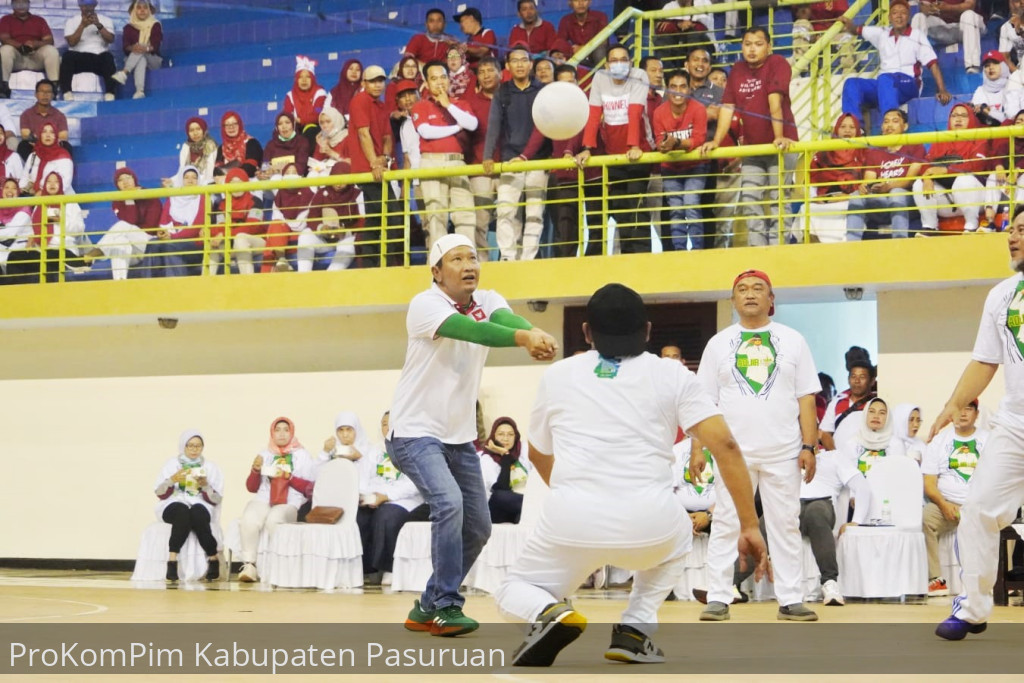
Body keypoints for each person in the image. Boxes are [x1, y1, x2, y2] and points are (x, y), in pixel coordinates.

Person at [496, 283, 768, 666]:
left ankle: (548, 613)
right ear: (648, 331)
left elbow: (538, 451)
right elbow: (725, 446)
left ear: (587, 333)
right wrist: (749, 525)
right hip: (650, 526)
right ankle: (634, 630)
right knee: (679, 538)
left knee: (513, 588)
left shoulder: (558, 375)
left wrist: (573, 496)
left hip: (570, 522)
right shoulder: (673, 374)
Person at [386, 233, 558, 637]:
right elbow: (475, 332)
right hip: (413, 433)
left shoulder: (488, 298)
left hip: (459, 438)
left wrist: (532, 331)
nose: (469, 266)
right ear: (436, 271)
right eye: (458, 259)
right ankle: (447, 605)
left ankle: (427, 605)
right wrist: (525, 339)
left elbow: (506, 321)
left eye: (473, 258)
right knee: (448, 503)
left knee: (479, 526)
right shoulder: (425, 305)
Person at [692, 269, 820, 622]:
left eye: (758, 288)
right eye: (742, 289)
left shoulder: (793, 340)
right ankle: (719, 597)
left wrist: (809, 446)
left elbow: (806, 397)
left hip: (784, 451)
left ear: (771, 299)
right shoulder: (718, 343)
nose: (750, 294)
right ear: (733, 300)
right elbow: (703, 401)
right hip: (732, 453)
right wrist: (697, 448)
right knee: (725, 522)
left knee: (786, 524)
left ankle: (791, 599)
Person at [931, 209, 1024, 639]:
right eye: (1011, 229)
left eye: (1022, 230)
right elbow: (985, 360)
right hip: (1014, 424)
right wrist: (952, 404)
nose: (1012, 237)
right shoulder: (1001, 295)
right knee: (979, 509)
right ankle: (973, 608)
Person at [699, 27, 798, 247]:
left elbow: (775, 101)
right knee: (750, 199)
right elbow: (727, 108)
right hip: (752, 149)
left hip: (781, 144)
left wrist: (779, 137)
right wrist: (716, 141)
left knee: (778, 199)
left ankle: (779, 248)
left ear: (768, 47)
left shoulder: (778, 63)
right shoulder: (737, 69)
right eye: (747, 44)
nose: (752, 49)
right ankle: (757, 248)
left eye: (758, 44)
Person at [575, 44, 654, 254]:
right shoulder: (600, 78)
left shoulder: (639, 75)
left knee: (636, 204)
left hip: (639, 152)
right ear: (607, 64)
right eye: (614, 60)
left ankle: (642, 254)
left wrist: (634, 146)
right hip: (613, 154)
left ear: (630, 62)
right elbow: (594, 114)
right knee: (619, 207)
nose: (619, 64)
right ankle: (626, 254)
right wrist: (587, 148)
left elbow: (635, 112)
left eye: (623, 59)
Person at [839, 0, 951, 133]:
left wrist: (942, 89)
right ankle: (855, 127)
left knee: (885, 79)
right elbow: (857, 30)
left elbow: (932, 63)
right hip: (885, 85)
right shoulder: (882, 33)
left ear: (908, 16)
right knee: (852, 83)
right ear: (889, 17)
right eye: (895, 13)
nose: (899, 16)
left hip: (909, 84)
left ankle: (891, 126)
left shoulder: (917, 35)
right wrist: (847, 23)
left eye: (903, 13)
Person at [482, 45, 551, 261]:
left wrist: (527, 156)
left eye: (524, 60)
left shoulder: (543, 91)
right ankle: (508, 257)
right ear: (508, 66)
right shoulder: (502, 92)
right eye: (515, 60)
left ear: (531, 64)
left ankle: (528, 259)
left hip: (538, 161)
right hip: (509, 160)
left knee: (535, 214)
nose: (520, 65)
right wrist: (487, 156)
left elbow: (544, 127)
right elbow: (494, 126)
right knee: (505, 211)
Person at [238, 417, 316, 583]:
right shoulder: (265, 454)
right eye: (277, 430)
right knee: (249, 518)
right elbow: (251, 488)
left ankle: (279, 567)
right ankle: (249, 565)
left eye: (286, 430)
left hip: (290, 501)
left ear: (292, 433)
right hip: (264, 498)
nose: (281, 434)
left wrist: (289, 477)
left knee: (274, 519)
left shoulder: (302, 456)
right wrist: (255, 470)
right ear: (272, 433)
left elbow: (310, 489)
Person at [923, 399, 987, 597]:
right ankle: (935, 580)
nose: (963, 413)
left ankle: (987, 583)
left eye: (969, 408)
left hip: (979, 505)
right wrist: (944, 505)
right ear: (951, 414)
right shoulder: (938, 441)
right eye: (959, 409)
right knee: (925, 519)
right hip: (946, 504)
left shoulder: (989, 440)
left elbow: (997, 479)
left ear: (977, 414)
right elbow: (929, 484)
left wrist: (974, 505)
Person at [355, 411, 428, 586]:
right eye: (384, 424)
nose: (388, 428)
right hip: (374, 497)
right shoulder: (375, 451)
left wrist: (386, 496)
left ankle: (389, 567)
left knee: (386, 516)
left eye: (392, 423)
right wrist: (366, 495)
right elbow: (362, 478)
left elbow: (414, 483)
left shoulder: (413, 450)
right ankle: (367, 569)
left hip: (404, 500)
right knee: (359, 516)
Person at [412, 60, 478, 251]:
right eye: (434, 78)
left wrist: (448, 105)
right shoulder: (421, 106)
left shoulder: (460, 104)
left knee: (465, 214)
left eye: (443, 77)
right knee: (436, 216)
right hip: (431, 163)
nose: (440, 82)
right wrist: (457, 128)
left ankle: (467, 257)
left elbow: (472, 124)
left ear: (449, 79)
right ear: (426, 82)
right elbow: (426, 132)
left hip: (457, 162)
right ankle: (438, 262)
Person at [798, 447, 872, 607]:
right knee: (764, 523)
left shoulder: (834, 457)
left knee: (815, 514)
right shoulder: (786, 456)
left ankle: (829, 582)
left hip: (821, 502)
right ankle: (739, 581)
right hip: (790, 504)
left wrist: (856, 520)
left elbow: (862, 486)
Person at [152, 429, 223, 582]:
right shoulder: (172, 464)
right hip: (173, 502)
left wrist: (205, 485)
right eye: (190, 445)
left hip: (200, 502)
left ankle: (213, 557)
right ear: (183, 446)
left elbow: (217, 498)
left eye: (198, 446)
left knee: (197, 513)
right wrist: (172, 480)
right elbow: (159, 492)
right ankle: (172, 560)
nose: (194, 449)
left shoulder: (210, 467)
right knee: (182, 511)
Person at [349, 64, 401, 266]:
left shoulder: (381, 105)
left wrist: (385, 159)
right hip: (369, 170)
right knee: (393, 216)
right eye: (373, 81)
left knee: (374, 219)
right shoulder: (360, 100)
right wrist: (374, 163)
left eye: (380, 80)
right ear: (364, 83)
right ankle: (385, 264)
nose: (378, 85)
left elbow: (387, 137)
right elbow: (363, 133)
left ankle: (370, 265)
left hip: (377, 168)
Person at [846, 109, 924, 240]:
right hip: (882, 201)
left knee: (897, 193)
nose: (889, 125)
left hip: (907, 202)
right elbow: (869, 180)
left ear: (905, 126)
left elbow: (909, 180)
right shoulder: (874, 152)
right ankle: (852, 244)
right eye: (886, 122)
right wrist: (865, 187)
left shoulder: (915, 147)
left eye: (895, 121)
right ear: (882, 127)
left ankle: (899, 242)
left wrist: (888, 186)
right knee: (856, 195)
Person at [652, 70, 708, 251]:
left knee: (691, 203)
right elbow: (660, 142)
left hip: (696, 166)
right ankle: (679, 251)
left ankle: (697, 250)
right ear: (667, 89)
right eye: (673, 87)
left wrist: (676, 142)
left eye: (683, 86)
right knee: (675, 210)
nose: (678, 91)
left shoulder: (698, 108)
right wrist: (666, 145)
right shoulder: (659, 113)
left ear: (689, 89)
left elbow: (699, 139)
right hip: (670, 168)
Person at [911, 104, 989, 234]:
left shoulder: (979, 139)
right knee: (919, 183)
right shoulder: (941, 139)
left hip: (975, 201)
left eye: (963, 116)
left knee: (964, 180)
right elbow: (926, 163)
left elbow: (976, 165)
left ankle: (971, 225)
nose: (958, 119)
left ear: (971, 119)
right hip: (947, 203)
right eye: (954, 116)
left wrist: (945, 170)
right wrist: (927, 177)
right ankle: (930, 227)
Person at [82, 167, 163, 280]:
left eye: (128, 178)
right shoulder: (118, 201)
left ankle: (96, 252)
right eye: (120, 180)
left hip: (149, 243)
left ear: (134, 179)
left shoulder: (150, 195)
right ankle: (120, 283)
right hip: (133, 250)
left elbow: (150, 226)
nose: (125, 182)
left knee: (122, 226)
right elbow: (131, 219)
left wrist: (133, 197)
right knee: (119, 243)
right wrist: (129, 199)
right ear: (117, 185)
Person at [798, 112, 865, 244]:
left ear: (857, 130)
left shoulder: (863, 153)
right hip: (824, 200)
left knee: (851, 208)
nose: (847, 130)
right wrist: (816, 199)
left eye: (852, 127)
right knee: (806, 209)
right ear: (836, 130)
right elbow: (811, 181)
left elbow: (866, 184)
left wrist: (846, 197)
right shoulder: (823, 154)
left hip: (850, 199)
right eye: (843, 127)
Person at [465, 57, 500, 258]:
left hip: (508, 167)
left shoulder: (509, 98)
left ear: (500, 73)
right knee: (480, 222)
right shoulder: (470, 103)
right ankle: (482, 262)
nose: (486, 75)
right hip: (479, 170)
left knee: (511, 217)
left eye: (490, 70)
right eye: (481, 72)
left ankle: (510, 260)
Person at [297, 160, 359, 272]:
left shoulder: (356, 194)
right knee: (305, 235)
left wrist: (345, 230)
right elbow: (312, 217)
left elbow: (362, 221)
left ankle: (330, 276)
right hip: (325, 237)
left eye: (343, 180)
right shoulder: (322, 193)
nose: (339, 184)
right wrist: (321, 228)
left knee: (349, 246)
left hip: (345, 237)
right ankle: (303, 275)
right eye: (335, 179)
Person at [209, 167, 266, 276]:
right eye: (232, 182)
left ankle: (247, 281)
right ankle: (205, 282)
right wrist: (208, 232)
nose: (236, 186)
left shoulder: (255, 201)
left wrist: (225, 233)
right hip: (231, 244)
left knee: (240, 238)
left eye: (240, 182)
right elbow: (220, 227)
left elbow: (253, 227)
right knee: (213, 246)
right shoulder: (221, 204)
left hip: (257, 242)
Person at [820, 347, 877, 451]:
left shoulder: (877, 403)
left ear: (872, 381)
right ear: (848, 379)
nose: (857, 381)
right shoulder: (837, 401)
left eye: (862, 377)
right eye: (853, 376)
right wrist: (835, 455)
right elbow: (825, 433)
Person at [0, 0, 59, 99]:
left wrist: (35, 44)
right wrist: (20, 46)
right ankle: (3, 88)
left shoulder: (39, 20)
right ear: (12, 5)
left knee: (51, 50)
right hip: (16, 58)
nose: (21, 6)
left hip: (35, 56)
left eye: (24, 3)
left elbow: (49, 40)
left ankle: (53, 88)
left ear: (29, 4)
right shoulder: (6, 19)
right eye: (17, 4)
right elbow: (4, 39)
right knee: (5, 50)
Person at [60, 0, 117, 102]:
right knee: (67, 56)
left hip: (99, 56)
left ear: (95, 5)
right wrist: (82, 25)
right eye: (84, 6)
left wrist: (99, 25)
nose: (87, 8)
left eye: (90, 5)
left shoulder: (106, 20)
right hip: (78, 57)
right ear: (79, 6)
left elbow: (110, 39)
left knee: (108, 58)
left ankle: (110, 94)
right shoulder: (71, 21)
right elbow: (71, 43)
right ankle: (67, 93)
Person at [261, 161, 312, 272]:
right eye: (288, 173)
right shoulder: (280, 194)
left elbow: (300, 225)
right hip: (283, 235)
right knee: (275, 227)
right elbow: (277, 219)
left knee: (272, 240)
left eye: (294, 172)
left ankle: (269, 273)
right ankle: (282, 261)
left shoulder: (308, 193)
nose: (291, 175)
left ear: (300, 175)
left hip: (302, 234)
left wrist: (286, 223)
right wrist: (285, 224)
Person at [155, 166, 205, 277]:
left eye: (194, 178)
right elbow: (164, 221)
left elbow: (196, 228)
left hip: (194, 242)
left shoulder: (202, 197)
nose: (190, 180)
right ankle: (149, 284)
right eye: (186, 177)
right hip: (172, 237)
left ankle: (176, 284)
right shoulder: (173, 197)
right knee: (152, 245)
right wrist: (162, 232)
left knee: (171, 246)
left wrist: (172, 237)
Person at [478, 417, 530, 524]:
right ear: (493, 436)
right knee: (500, 495)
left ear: (516, 436)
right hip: (494, 506)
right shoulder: (485, 458)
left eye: (510, 434)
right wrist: (506, 455)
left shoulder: (523, 452)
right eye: (501, 434)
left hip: (516, 502)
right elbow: (502, 488)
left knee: (520, 514)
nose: (506, 438)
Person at [912, 0, 986, 74]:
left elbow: (970, 6)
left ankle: (973, 66)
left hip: (964, 29)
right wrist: (932, 8)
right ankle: (914, 67)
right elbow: (922, 8)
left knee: (969, 15)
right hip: (943, 27)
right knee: (918, 17)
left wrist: (947, 8)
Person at [841, 397, 908, 476]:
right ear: (865, 414)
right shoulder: (853, 442)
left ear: (888, 418)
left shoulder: (896, 444)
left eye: (882, 413)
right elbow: (847, 474)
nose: (876, 416)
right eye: (872, 411)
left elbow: (898, 474)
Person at [112, 0, 162, 100]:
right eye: (139, 8)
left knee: (140, 48)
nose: (142, 10)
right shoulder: (128, 28)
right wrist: (133, 47)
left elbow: (155, 46)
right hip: (134, 59)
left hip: (153, 60)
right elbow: (126, 47)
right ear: (134, 10)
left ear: (149, 10)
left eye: (145, 8)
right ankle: (139, 91)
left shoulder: (155, 25)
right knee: (141, 58)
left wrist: (144, 48)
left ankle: (124, 72)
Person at [17, 79, 68, 161]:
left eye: (48, 92)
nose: (45, 95)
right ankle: (31, 167)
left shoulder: (60, 116)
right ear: (36, 94)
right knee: (23, 145)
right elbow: (25, 134)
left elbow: (63, 137)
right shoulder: (26, 114)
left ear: (53, 95)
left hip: (53, 146)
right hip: (34, 146)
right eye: (42, 91)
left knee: (66, 146)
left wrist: (49, 143)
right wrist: (40, 144)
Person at [282, 55, 327, 148]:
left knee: (310, 130)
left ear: (312, 79)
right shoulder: (290, 96)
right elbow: (288, 116)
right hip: (295, 129)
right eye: (300, 77)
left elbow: (318, 113)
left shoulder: (320, 93)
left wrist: (300, 120)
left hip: (315, 128)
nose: (304, 80)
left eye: (308, 77)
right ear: (296, 80)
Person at [163, 117, 218, 187]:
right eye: (191, 130)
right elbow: (182, 170)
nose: (195, 133)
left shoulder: (210, 146)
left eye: (198, 129)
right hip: (189, 184)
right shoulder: (186, 147)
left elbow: (209, 173)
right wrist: (172, 181)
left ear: (204, 130)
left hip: (206, 186)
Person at [20, 122, 71, 196]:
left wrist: (43, 193)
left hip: (57, 197)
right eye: (44, 132)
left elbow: (65, 183)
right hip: (33, 197)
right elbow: (24, 177)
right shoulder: (33, 155)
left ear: (56, 136)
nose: (48, 135)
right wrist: (21, 189)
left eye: (52, 132)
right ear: (40, 135)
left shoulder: (63, 156)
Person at [557, 0, 609, 67]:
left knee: (599, 51)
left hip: (597, 54)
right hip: (578, 56)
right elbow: (561, 42)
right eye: (576, 0)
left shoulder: (600, 16)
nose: (581, 3)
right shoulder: (566, 20)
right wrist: (572, 49)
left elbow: (603, 41)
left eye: (584, 0)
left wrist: (584, 48)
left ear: (589, 2)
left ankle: (602, 73)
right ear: (570, 3)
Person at [260, 112, 310, 178]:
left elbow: (301, 166)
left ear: (293, 125)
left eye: (287, 123)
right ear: (277, 127)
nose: (284, 127)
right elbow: (265, 167)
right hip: (274, 178)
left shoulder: (302, 142)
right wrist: (264, 172)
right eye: (280, 124)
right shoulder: (270, 145)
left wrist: (276, 169)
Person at [0, 177, 32, 282]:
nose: (10, 191)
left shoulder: (24, 208)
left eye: (14, 188)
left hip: (19, 253)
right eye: (6, 187)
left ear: (18, 192)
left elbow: (10, 233)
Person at [215, 111, 263, 179]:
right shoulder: (222, 148)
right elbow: (217, 171)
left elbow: (250, 168)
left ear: (240, 125)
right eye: (227, 125)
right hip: (226, 182)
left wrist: (230, 175)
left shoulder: (252, 143)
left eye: (234, 123)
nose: (231, 127)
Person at [973, 50, 1011, 124]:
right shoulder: (980, 91)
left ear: (1003, 66)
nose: (991, 68)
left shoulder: (1011, 87)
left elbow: (1011, 119)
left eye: (995, 63)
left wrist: (989, 112)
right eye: (987, 65)